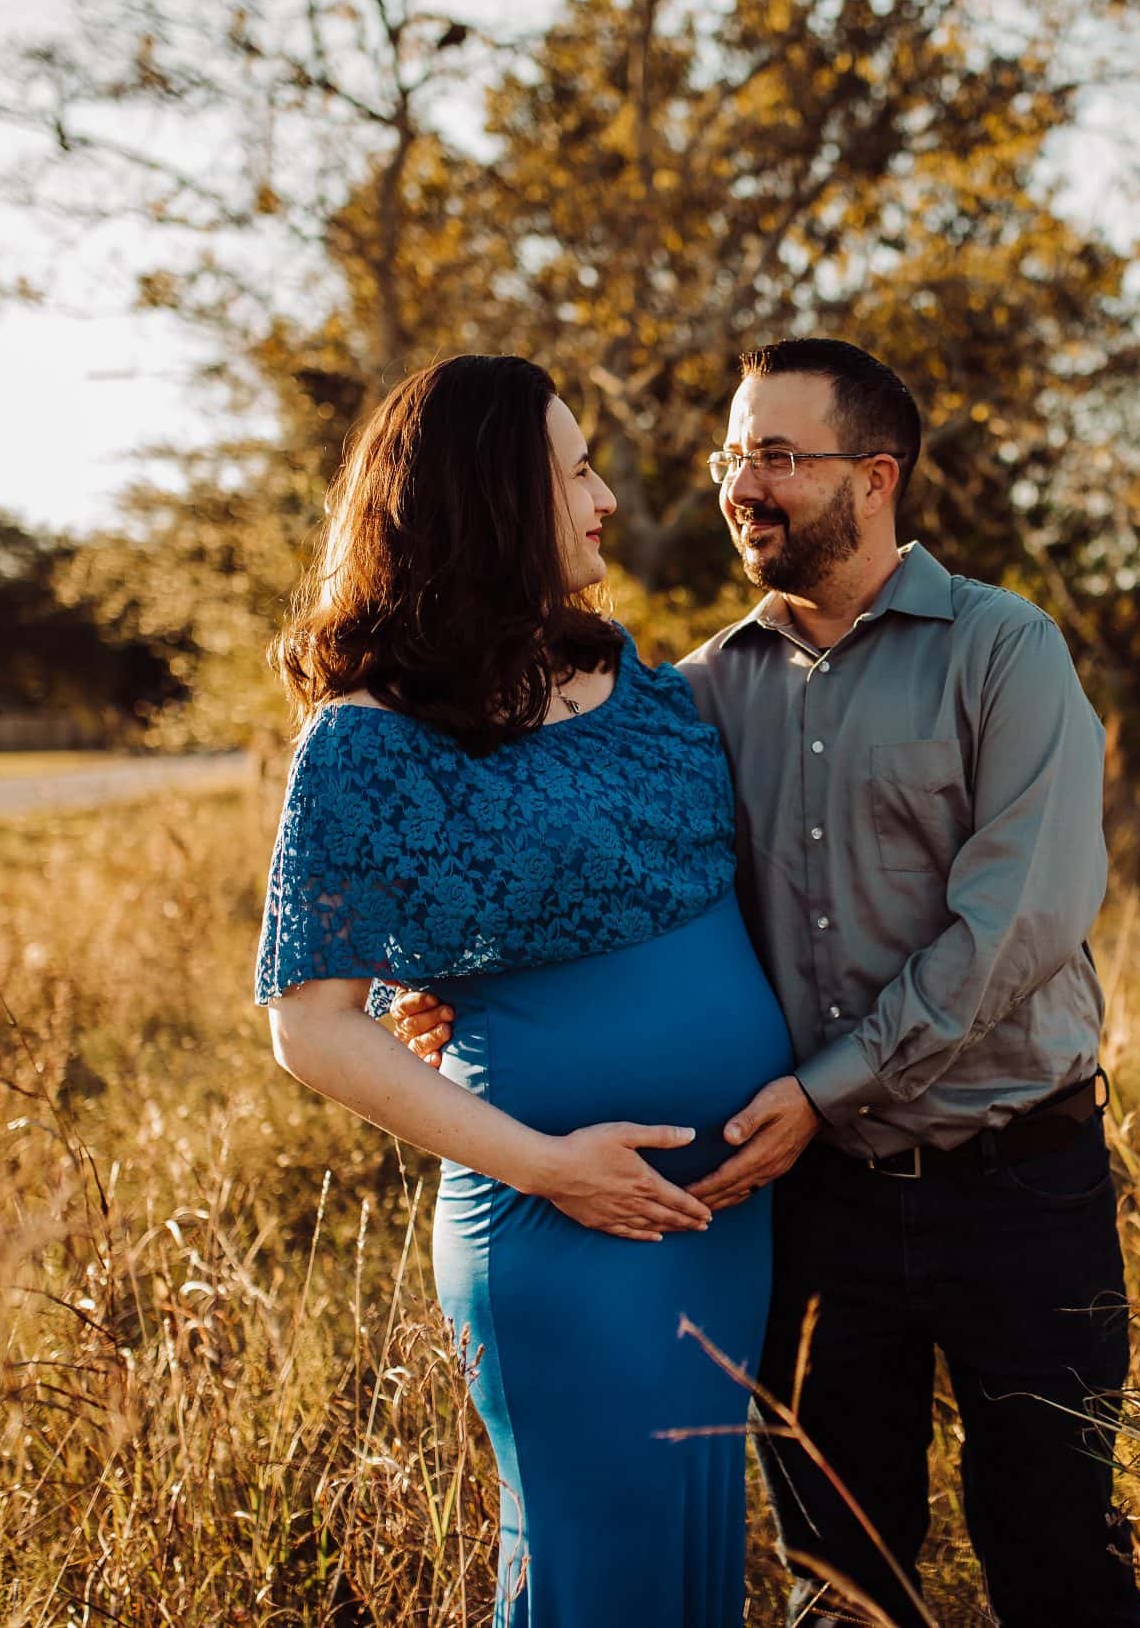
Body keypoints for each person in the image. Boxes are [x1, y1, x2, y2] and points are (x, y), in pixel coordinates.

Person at [395, 339, 1140, 1626]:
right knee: (839, 1577)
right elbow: (602, 867)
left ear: (876, 475)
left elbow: (1013, 925)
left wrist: (826, 1084)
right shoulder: (690, 694)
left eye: (777, 457)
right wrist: (470, 980)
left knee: (1058, 1551)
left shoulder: (1002, 652)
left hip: (1019, 1183)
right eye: (731, 457)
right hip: (810, 1206)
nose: (742, 485)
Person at [253, 353, 788, 1627]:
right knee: (592, 1577)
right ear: (493, 497)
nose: (604, 496)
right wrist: (551, 1165)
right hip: (563, 1225)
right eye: (576, 470)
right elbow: (308, 1024)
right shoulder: (368, 737)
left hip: (721, 1220)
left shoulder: (639, 683)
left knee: (689, 1568)